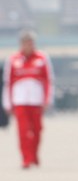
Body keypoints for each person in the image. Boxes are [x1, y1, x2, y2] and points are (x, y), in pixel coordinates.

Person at [3, 30, 53, 169]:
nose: (28, 46)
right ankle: (26, 158)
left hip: (36, 100)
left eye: (30, 43)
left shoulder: (42, 58)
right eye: (25, 43)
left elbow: (49, 81)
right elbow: (8, 82)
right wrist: (7, 102)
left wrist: (48, 99)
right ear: (21, 44)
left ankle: (34, 155)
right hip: (20, 101)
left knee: (37, 130)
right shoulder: (13, 60)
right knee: (23, 131)